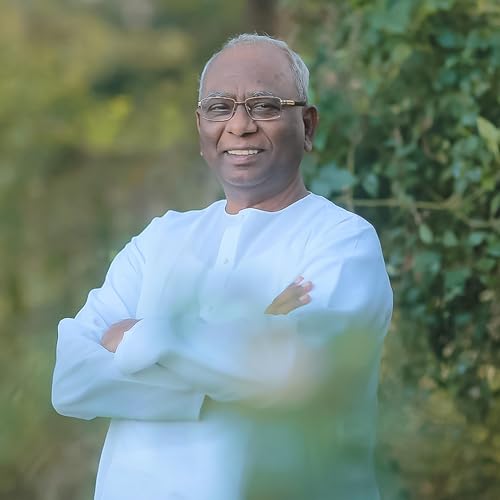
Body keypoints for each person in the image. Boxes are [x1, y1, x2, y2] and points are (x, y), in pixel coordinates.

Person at [52, 34, 392, 500]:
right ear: (201, 128)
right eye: (219, 108)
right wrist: (242, 344)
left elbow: (290, 371)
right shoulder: (160, 238)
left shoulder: (342, 241)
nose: (240, 125)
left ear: (307, 125)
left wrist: (136, 335)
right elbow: (71, 381)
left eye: (265, 106)